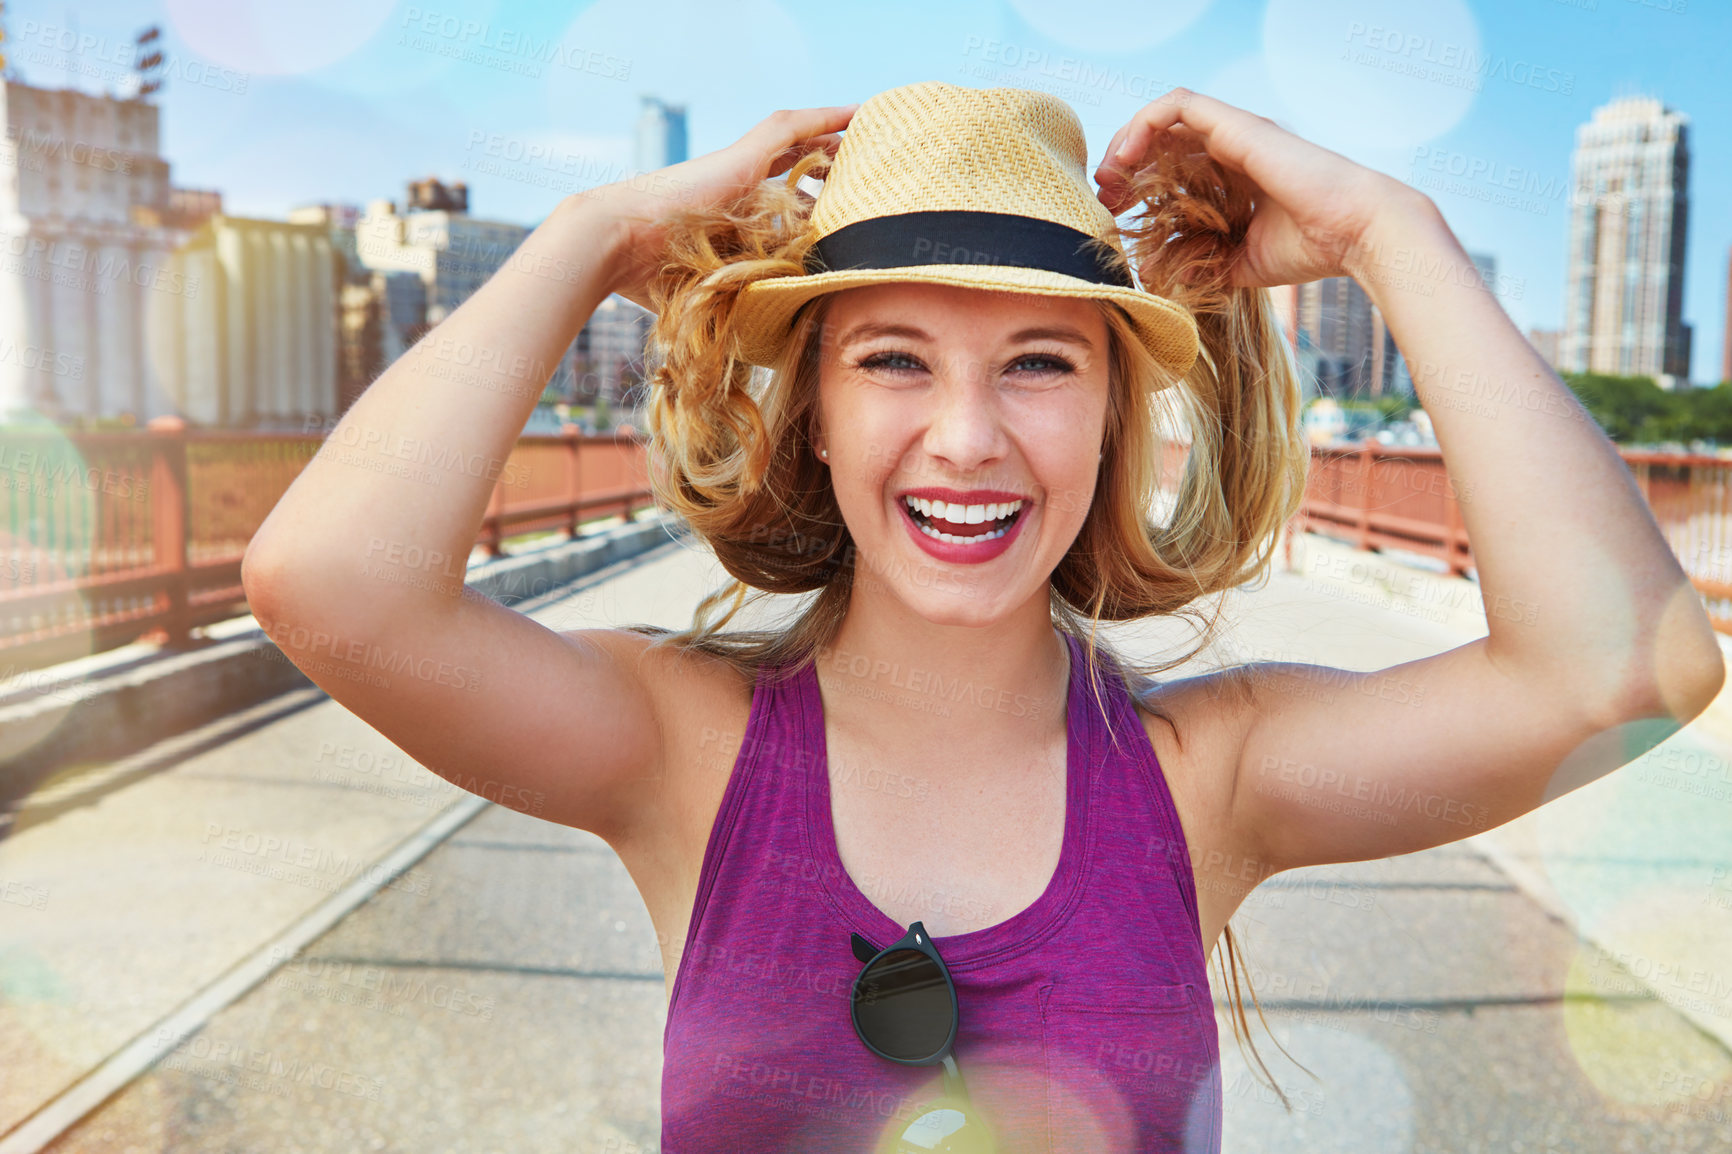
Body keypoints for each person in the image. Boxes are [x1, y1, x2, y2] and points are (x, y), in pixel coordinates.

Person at [241, 80, 1724, 1153]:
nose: (967, 437)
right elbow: (330, 586)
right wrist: (589, 234)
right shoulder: (679, 750)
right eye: (893, 359)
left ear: (1112, 418)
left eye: (1039, 363)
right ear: (811, 414)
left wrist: (1394, 231)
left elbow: (1629, 666)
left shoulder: (1212, 776)